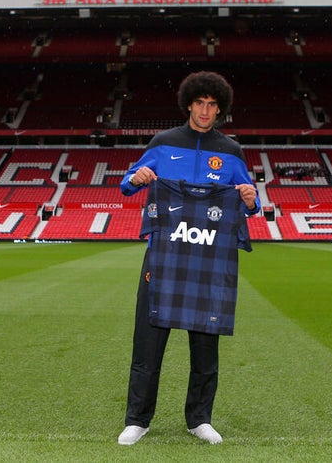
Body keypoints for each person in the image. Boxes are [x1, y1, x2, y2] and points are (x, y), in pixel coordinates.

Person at [117, 70, 258, 446]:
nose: (206, 111)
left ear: (220, 108)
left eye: (213, 105)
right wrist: (139, 177)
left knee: (205, 345)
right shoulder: (164, 143)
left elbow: (251, 203)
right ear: (189, 104)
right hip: (163, 259)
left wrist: (249, 200)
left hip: (208, 264)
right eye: (200, 103)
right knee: (148, 342)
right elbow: (126, 185)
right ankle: (137, 419)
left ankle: (199, 419)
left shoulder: (230, 151)